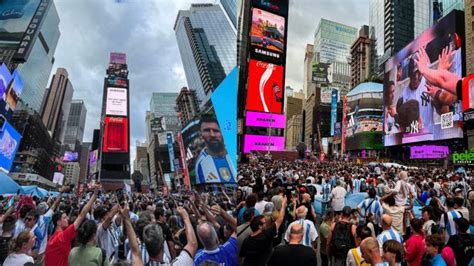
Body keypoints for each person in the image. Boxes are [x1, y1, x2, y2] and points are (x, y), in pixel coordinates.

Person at [45, 185, 98, 266]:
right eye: (65, 218)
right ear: (58, 222)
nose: (68, 218)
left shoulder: (52, 237)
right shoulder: (62, 237)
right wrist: (93, 197)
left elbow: (55, 204)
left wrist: (61, 192)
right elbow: (81, 215)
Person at [240, 195, 287, 266]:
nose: (266, 224)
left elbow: (243, 257)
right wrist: (283, 204)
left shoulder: (247, 240)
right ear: (260, 226)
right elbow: (279, 220)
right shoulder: (265, 236)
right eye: (264, 222)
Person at [195, 114, 236, 184]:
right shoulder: (201, 164)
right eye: (207, 130)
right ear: (200, 134)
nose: (212, 135)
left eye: (216, 131)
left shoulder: (234, 154)